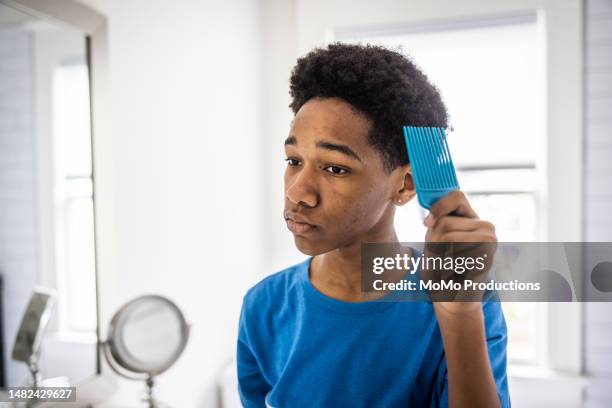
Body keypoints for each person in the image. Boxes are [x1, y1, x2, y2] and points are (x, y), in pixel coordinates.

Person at [237, 42, 510, 408]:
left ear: (404, 185)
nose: (297, 193)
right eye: (293, 160)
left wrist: (458, 314)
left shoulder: (468, 302)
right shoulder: (262, 307)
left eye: (335, 168)